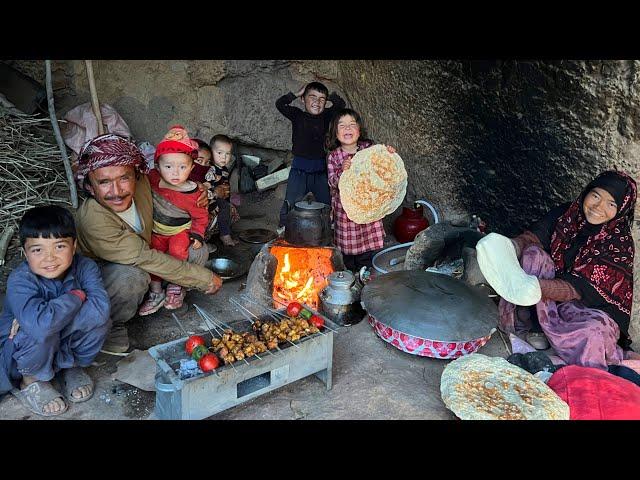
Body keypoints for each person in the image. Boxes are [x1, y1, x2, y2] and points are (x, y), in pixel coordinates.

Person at [74, 134, 222, 354]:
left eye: (124, 178)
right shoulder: (93, 220)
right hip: (105, 276)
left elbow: (175, 173)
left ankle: (166, 296)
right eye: (104, 182)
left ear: (136, 175)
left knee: (195, 249)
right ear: (90, 187)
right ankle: (110, 325)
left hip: (148, 255)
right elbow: (144, 257)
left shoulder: (145, 183)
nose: (116, 191)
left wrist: (197, 191)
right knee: (131, 276)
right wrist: (204, 279)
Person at [499, 170, 637, 370]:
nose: (598, 207)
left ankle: (565, 346)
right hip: (547, 301)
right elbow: (534, 236)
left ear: (622, 209)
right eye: (596, 196)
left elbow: (577, 288)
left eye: (611, 204)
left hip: (586, 308)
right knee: (532, 255)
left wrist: (533, 286)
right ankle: (537, 326)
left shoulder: (620, 244)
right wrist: (508, 246)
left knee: (594, 332)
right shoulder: (568, 213)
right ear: (587, 192)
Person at [0, 206, 110, 416]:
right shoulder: (20, 279)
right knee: (33, 332)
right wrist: (76, 297)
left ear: (74, 245)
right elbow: (40, 329)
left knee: (100, 321)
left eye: (59, 246)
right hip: (23, 355)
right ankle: (31, 381)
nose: (49, 258)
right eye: (37, 250)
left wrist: (46, 318)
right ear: (25, 253)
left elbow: (100, 311)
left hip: (59, 342)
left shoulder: (85, 267)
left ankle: (71, 366)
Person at [138, 126, 210, 314]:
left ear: (192, 168)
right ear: (158, 167)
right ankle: (155, 291)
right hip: (157, 231)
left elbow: (201, 216)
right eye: (168, 166)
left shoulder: (194, 192)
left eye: (182, 167)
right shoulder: (152, 180)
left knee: (178, 252)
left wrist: (197, 234)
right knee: (155, 254)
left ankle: (175, 286)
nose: (175, 173)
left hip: (179, 231)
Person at [326, 108, 396, 271]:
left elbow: (382, 168)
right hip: (345, 211)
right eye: (342, 126)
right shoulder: (334, 156)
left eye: (352, 124)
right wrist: (342, 171)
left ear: (359, 130)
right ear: (335, 132)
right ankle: (350, 274)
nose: (347, 129)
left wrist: (389, 155)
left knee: (367, 247)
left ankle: (364, 273)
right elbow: (331, 182)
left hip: (368, 206)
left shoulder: (369, 149)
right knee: (347, 250)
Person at [276, 82, 346, 228]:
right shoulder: (297, 115)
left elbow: (340, 104)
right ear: (303, 99)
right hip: (299, 171)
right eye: (312, 97)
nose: (317, 102)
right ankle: (283, 231)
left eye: (322, 99)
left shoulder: (327, 116)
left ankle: (327, 232)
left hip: (320, 172)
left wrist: (330, 96)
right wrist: (295, 93)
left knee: (326, 206)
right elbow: (280, 104)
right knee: (290, 204)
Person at [204, 134, 238, 246]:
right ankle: (225, 235)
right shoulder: (210, 169)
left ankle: (222, 232)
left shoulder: (224, 169)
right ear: (211, 152)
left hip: (221, 198)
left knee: (229, 207)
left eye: (227, 154)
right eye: (219, 153)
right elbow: (207, 185)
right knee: (224, 207)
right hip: (210, 199)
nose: (224, 157)